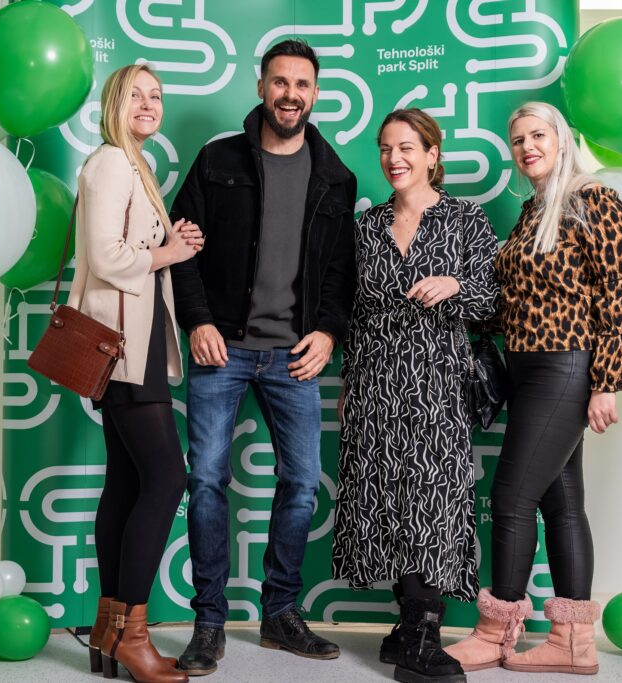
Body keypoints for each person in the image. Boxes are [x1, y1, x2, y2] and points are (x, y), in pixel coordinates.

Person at [169, 39, 356, 676]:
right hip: (221, 348)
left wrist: (328, 332)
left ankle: (279, 614)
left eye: (302, 84)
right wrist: (197, 320)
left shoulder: (336, 176)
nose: (290, 94)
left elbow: (340, 271)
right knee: (205, 480)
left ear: (315, 94)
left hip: (293, 355)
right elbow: (180, 245)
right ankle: (209, 622)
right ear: (261, 87)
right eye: (280, 82)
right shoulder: (217, 159)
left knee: (302, 482)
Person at [445, 101, 622, 676]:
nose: (527, 147)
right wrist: (456, 295)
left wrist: (607, 382)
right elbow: (519, 300)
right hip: (527, 368)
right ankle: (573, 644)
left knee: (511, 498)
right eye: (518, 140)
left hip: (564, 367)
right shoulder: (533, 211)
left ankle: (493, 634)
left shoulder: (593, 198)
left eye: (537, 135)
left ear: (560, 140)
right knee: (562, 504)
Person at [332, 108, 499, 683]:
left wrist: (455, 284)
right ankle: (408, 628)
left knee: (433, 500)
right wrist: (349, 382)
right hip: (376, 380)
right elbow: (355, 314)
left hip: (437, 382)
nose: (394, 158)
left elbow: (491, 301)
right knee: (388, 500)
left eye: (407, 147)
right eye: (386, 148)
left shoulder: (465, 218)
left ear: (432, 154)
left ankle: (423, 634)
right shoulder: (367, 226)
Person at [70, 64, 203, 683]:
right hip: (122, 344)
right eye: (135, 95)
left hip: (134, 340)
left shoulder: (134, 165)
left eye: (156, 95)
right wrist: (169, 251)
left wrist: (172, 240)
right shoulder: (111, 163)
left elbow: (132, 247)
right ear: (113, 104)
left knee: (125, 483)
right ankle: (133, 636)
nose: (148, 104)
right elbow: (105, 256)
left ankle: (109, 628)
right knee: (167, 478)